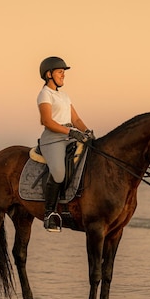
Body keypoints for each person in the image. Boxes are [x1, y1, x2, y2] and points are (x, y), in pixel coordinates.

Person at [37, 56, 91, 232]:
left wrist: (87, 132)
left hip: (70, 136)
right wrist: (70, 132)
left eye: (63, 73)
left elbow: (75, 118)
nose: (63, 76)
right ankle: (49, 213)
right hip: (53, 138)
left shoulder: (64, 95)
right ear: (49, 74)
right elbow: (46, 121)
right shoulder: (45, 94)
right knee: (59, 173)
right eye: (60, 72)